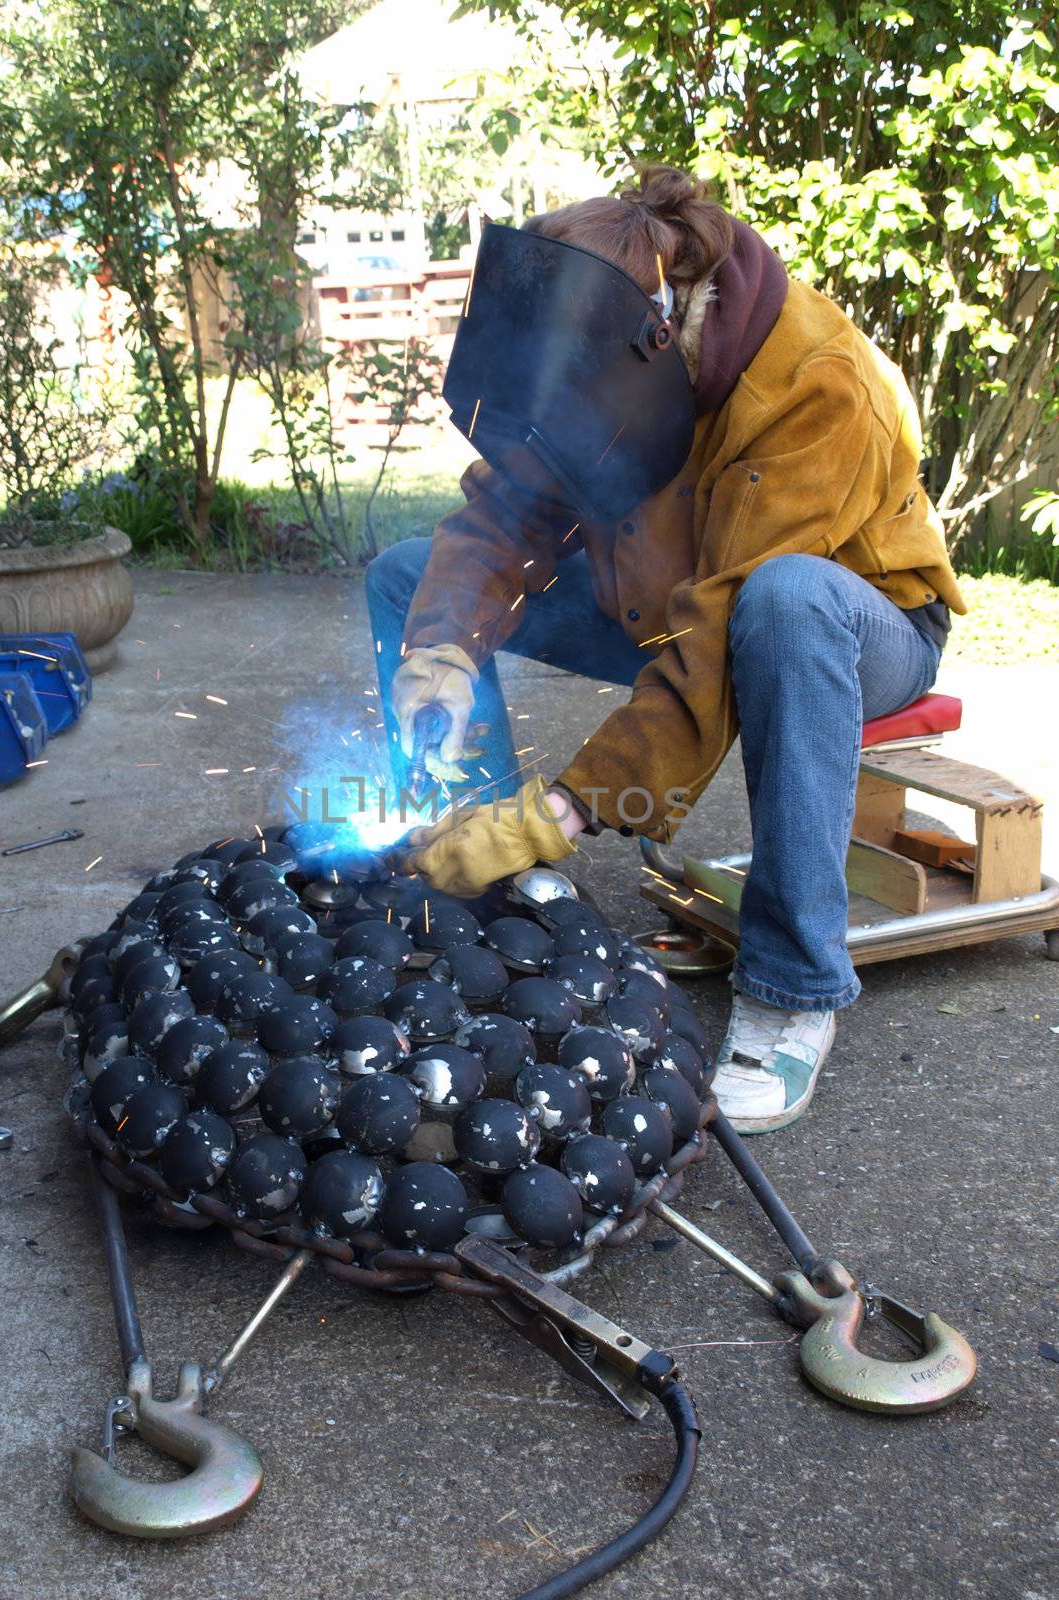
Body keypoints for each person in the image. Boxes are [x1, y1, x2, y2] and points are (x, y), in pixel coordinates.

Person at [365, 167, 963, 1134]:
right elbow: (499, 517)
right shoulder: (598, 356)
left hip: (852, 627)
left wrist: (563, 807)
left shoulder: (818, 384)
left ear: (661, 330)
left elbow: (724, 634)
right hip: (661, 599)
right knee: (409, 577)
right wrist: (441, 654)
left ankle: (795, 984)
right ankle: (469, 859)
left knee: (787, 599)